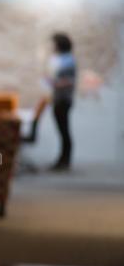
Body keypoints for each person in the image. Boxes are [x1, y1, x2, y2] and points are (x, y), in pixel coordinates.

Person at [47, 33, 76, 171]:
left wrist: (54, 83)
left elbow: (68, 81)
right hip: (59, 99)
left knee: (64, 131)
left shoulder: (67, 60)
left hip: (63, 100)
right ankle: (62, 160)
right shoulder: (60, 59)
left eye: (53, 42)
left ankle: (64, 161)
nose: (51, 46)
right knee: (62, 131)